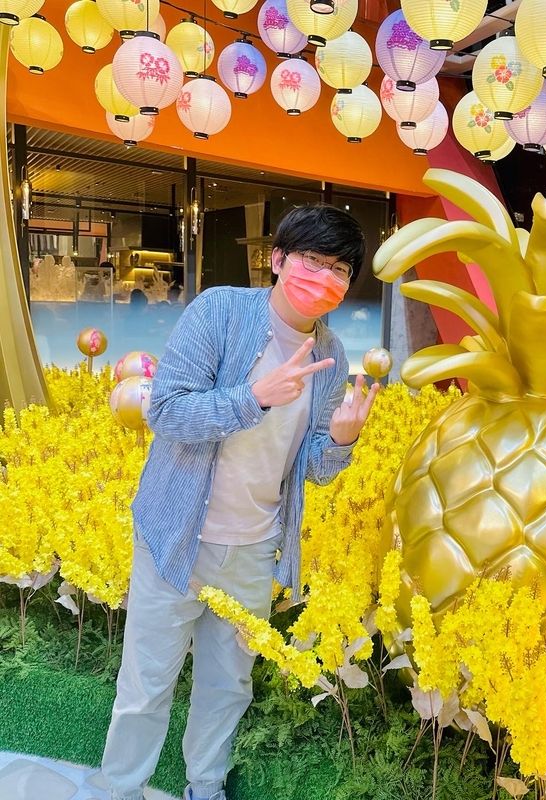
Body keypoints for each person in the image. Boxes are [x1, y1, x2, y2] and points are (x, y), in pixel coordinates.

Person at [101, 204, 380, 800]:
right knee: (148, 683)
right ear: (277, 260)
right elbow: (168, 411)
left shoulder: (330, 356)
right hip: (177, 538)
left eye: (339, 268)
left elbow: (312, 471)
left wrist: (342, 440)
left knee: (228, 685)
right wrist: (252, 397)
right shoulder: (220, 311)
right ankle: (121, 790)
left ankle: (206, 784)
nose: (323, 277)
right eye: (311, 260)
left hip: (254, 549)